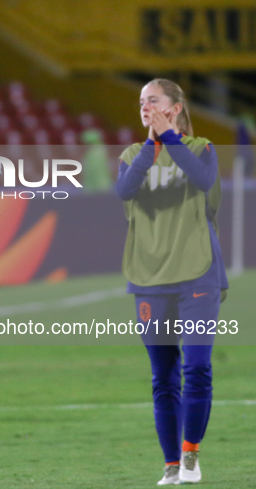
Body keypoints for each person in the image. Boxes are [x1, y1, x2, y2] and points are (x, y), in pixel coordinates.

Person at [116, 79, 228, 485]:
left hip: (198, 274)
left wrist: (169, 139)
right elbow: (125, 190)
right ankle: (169, 465)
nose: (145, 106)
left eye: (155, 100)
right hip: (150, 280)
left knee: (196, 367)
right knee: (163, 373)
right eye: (142, 101)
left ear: (177, 108)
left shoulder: (203, 149)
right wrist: (153, 145)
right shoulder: (132, 155)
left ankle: (191, 455)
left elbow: (201, 179)